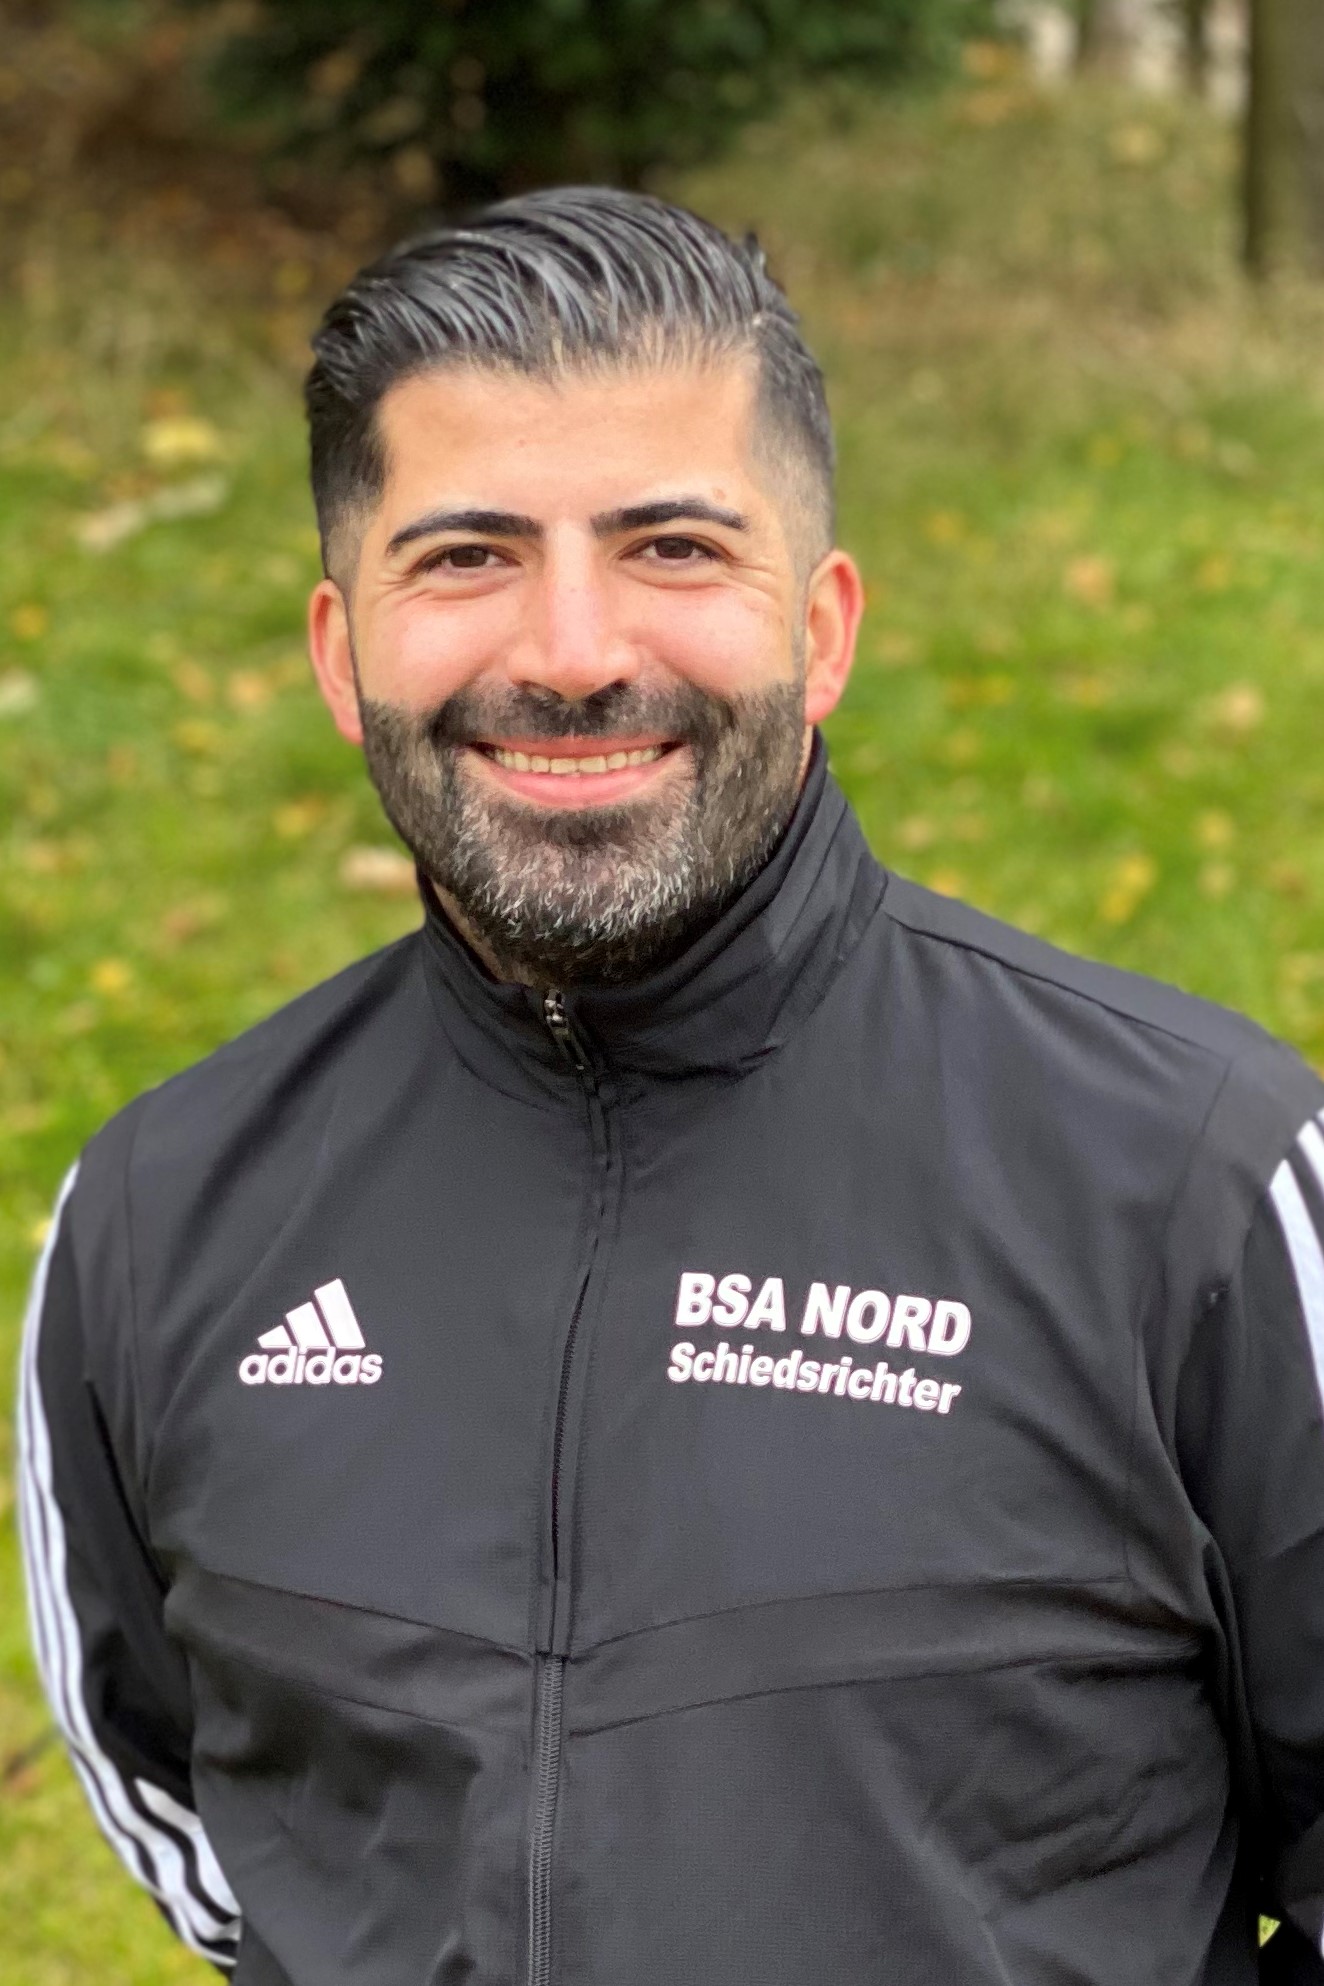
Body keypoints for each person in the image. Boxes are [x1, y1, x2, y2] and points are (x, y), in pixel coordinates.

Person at [17, 185, 1324, 1986]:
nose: (573, 651)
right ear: (339, 651)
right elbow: (200, 1812)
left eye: (674, 548)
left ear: (825, 628)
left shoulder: (1197, 1182)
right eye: (464, 557)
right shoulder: (160, 1220)